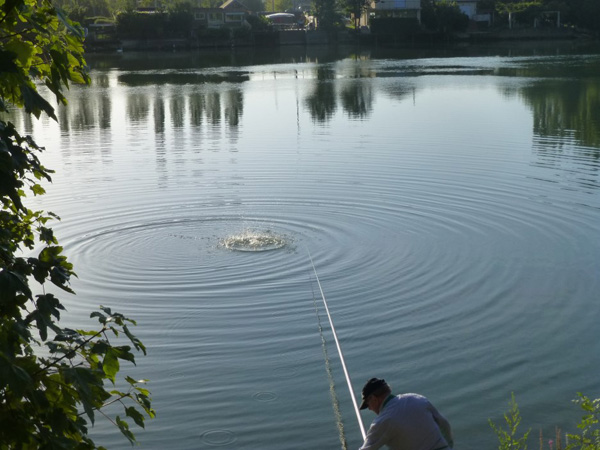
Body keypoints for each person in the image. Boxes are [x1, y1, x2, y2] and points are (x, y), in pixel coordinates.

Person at [358, 378, 454, 450]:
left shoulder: (382, 422)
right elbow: (445, 425)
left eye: (368, 404)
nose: (369, 408)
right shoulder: (416, 398)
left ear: (374, 399)